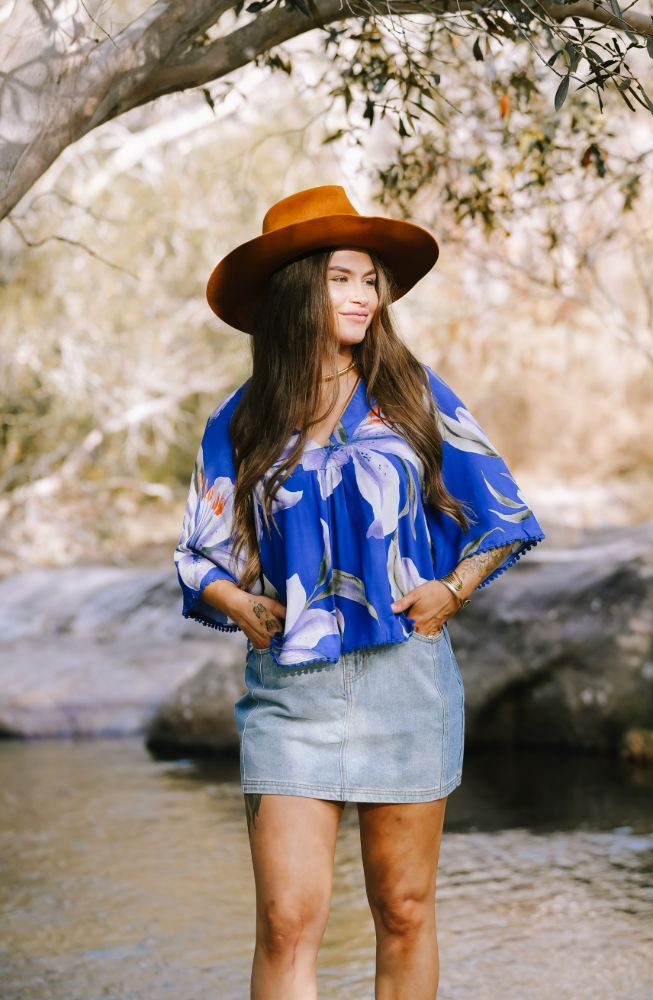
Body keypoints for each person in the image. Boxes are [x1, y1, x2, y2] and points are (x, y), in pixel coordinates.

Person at [174, 185, 545, 999]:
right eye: (341, 277)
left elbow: (506, 515)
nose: (361, 295)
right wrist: (239, 604)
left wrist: (455, 586)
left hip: (405, 682)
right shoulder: (238, 421)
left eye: (370, 280)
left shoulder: (413, 390)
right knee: (285, 921)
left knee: (405, 911)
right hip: (291, 694)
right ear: (298, 289)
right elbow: (197, 558)